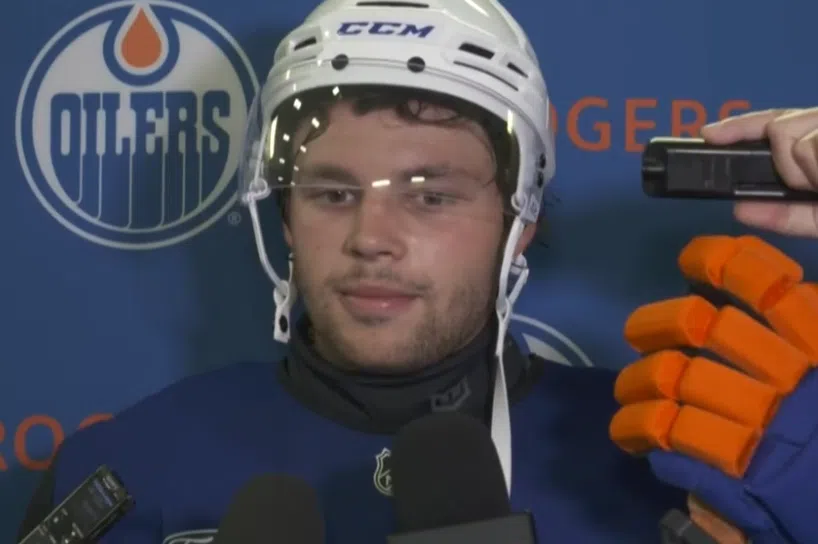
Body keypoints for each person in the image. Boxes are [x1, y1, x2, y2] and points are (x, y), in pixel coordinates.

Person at [16, 0, 818, 539]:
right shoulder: (126, 471)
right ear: (283, 215)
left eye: (432, 196)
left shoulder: (680, 461)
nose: (374, 237)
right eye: (332, 192)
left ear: (521, 221)